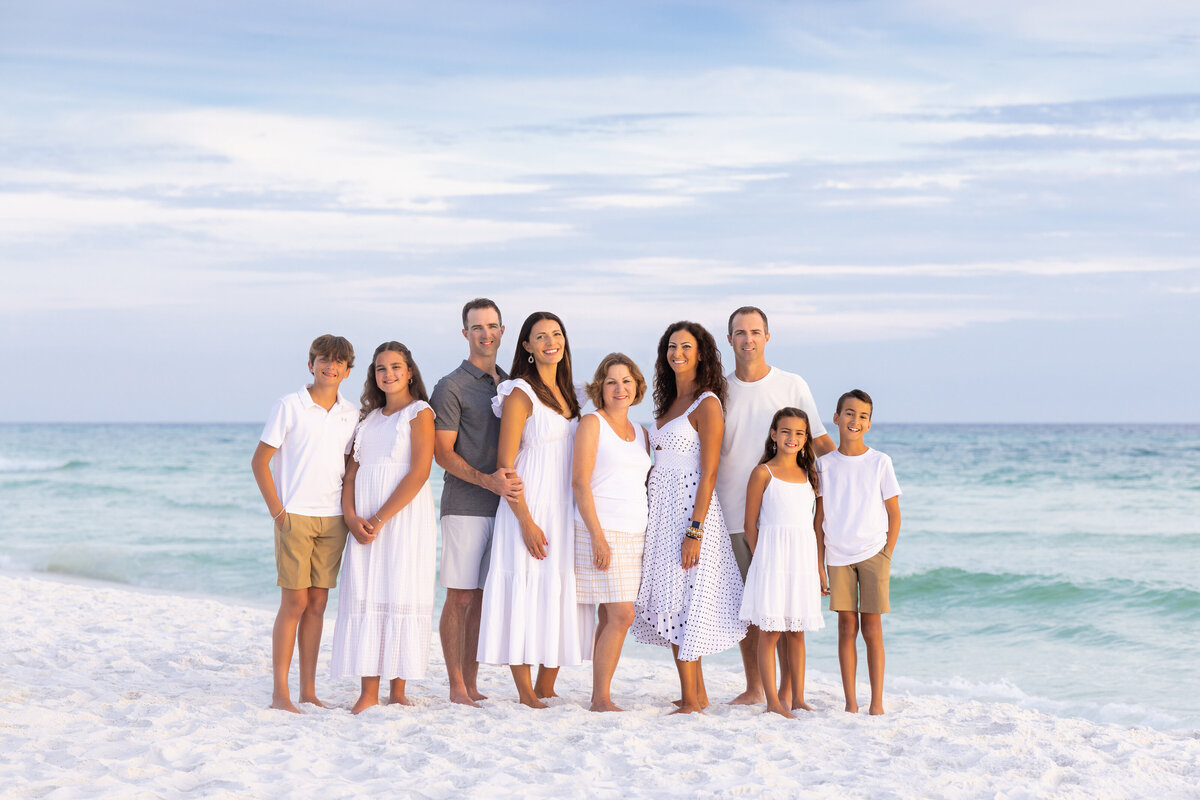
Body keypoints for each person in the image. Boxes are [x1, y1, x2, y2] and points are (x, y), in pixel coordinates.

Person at [718, 306, 834, 706]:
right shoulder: (719, 388)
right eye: (739, 332)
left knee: (790, 611)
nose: (747, 339)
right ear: (729, 339)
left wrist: (851, 476)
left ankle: (788, 691)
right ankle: (755, 688)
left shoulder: (792, 383)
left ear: (767, 337)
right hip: (733, 511)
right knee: (755, 611)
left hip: (787, 518)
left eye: (755, 331)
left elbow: (818, 439)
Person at [477, 311, 592, 708]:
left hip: (564, 506)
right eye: (540, 337)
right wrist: (524, 521)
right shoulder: (518, 393)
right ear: (526, 346)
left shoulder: (574, 394)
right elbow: (505, 466)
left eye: (556, 334)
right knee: (524, 586)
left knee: (561, 588)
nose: (549, 342)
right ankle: (525, 691)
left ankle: (546, 684)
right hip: (529, 504)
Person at [632, 321, 747, 714]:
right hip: (660, 512)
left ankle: (693, 701)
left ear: (701, 354)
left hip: (689, 513)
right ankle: (695, 694)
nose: (677, 353)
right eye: (671, 346)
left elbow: (709, 472)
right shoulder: (666, 405)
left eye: (686, 346)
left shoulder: (708, 403)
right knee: (673, 596)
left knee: (685, 601)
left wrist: (695, 529)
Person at [250, 334, 359, 713]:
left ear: (348, 370)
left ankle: (308, 691)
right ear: (310, 364)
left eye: (338, 362)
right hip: (294, 516)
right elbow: (259, 461)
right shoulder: (289, 406)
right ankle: (281, 693)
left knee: (317, 602)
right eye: (323, 359)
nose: (330, 366)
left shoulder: (352, 413)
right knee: (293, 601)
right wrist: (278, 512)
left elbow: (350, 468)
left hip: (333, 520)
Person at [331, 342, 436, 713]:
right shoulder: (368, 418)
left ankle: (399, 690)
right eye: (380, 368)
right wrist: (350, 515)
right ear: (373, 376)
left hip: (402, 518)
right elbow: (351, 473)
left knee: (400, 588)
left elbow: (420, 472)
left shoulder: (420, 413)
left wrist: (378, 518)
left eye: (395, 366)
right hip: (363, 519)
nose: (388, 374)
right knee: (367, 591)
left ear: (409, 371)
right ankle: (368, 693)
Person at [430, 298, 522, 707]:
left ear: (503, 331)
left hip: (504, 507)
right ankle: (455, 685)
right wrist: (486, 480)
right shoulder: (450, 386)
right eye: (477, 327)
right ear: (464, 333)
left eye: (492, 326)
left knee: (483, 596)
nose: (486, 333)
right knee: (460, 596)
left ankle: (472, 680)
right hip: (465, 503)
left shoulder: (511, 384)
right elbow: (442, 453)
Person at [572, 353, 652, 712]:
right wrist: (597, 536)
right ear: (599, 389)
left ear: (637, 387)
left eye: (626, 381)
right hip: (601, 531)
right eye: (611, 382)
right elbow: (580, 483)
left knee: (611, 616)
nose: (620, 388)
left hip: (636, 533)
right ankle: (600, 697)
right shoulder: (592, 423)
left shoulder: (643, 434)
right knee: (622, 614)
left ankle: (600, 691)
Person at [816, 389, 902, 715]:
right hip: (837, 557)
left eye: (862, 416)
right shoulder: (824, 465)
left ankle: (876, 702)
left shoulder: (880, 462)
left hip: (873, 554)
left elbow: (894, 514)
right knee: (846, 628)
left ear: (869, 424)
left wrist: (886, 554)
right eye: (849, 413)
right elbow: (819, 518)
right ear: (836, 418)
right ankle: (850, 702)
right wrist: (820, 563)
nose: (855, 420)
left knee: (872, 629)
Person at [738, 408, 827, 718]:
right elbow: (750, 525)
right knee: (770, 632)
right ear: (774, 434)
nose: (792, 438)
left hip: (801, 560)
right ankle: (773, 702)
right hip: (771, 561)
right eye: (786, 431)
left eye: (799, 433)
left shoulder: (810, 475)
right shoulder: (763, 473)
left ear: (806, 439)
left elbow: (816, 527)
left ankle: (798, 698)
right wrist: (763, 560)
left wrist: (819, 568)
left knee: (797, 632)